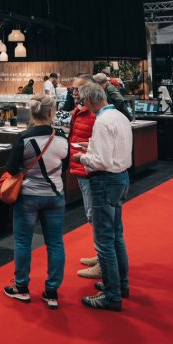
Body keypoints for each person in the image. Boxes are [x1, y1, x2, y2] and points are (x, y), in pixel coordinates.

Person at [2, 94, 69, 309]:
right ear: (51, 112)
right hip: (55, 195)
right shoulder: (62, 137)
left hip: (28, 196)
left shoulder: (24, 137)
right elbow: (64, 167)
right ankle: (52, 291)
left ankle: (21, 287)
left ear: (33, 113)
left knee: (23, 242)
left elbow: (11, 168)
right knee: (55, 243)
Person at [73, 82, 133, 311]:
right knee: (116, 236)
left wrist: (82, 158)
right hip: (121, 178)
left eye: (83, 101)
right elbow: (114, 149)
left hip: (105, 181)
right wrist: (91, 146)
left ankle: (111, 295)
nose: (83, 105)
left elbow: (102, 161)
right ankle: (120, 285)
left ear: (89, 100)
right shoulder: (119, 116)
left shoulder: (102, 121)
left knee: (104, 241)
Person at [67, 75, 101, 279]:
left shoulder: (95, 114)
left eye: (77, 89)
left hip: (90, 170)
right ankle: (100, 256)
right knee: (92, 215)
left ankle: (103, 262)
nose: (73, 92)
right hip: (80, 168)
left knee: (95, 216)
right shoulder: (79, 109)